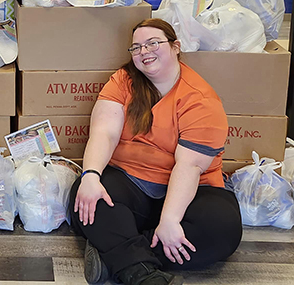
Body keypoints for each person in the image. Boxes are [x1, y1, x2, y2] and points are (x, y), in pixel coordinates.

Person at [70, 18, 242, 285]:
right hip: (130, 180)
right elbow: (105, 132)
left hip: (191, 189)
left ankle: (116, 254)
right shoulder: (123, 80)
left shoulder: (200, 98)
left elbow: (189, 167)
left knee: (222, 230)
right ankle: (141, 272)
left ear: (175, 47)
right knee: (87, 197)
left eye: (153, 43)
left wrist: (171, 219)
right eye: (136, 47)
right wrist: (91, 175)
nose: (144, 52)